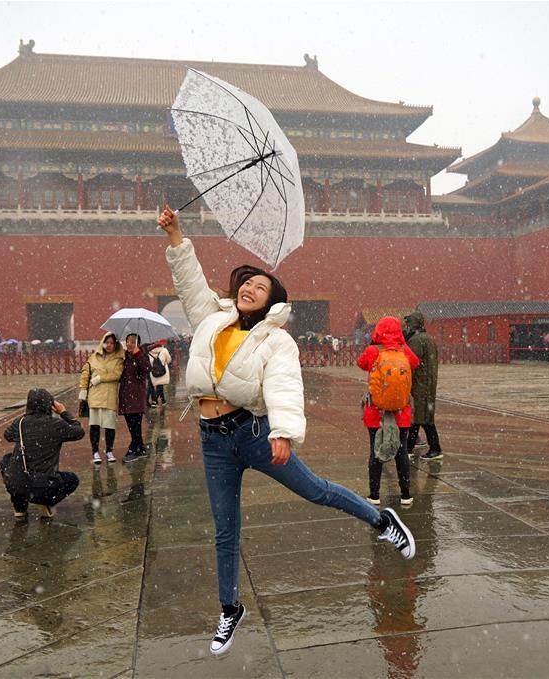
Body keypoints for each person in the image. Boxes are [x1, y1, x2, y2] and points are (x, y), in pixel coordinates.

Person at [157, 206, 415, 656]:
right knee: (225, 528)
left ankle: (382, 521)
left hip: (253, 432)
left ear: (270, 302)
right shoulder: (210, 319)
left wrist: (283, 432)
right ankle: (230, 607)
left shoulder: (276, 340)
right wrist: (177, 234)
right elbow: (189, 282)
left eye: (260, 288)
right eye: (247, 283)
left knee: (315, 490)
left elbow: (283, 385)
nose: (250, 289)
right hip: (212, 439)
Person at [357, 317, 420, 506]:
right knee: (401, 452)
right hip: (401, 411)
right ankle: (405, 495)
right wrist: (401, 347)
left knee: (375, 451)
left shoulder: (373, 351)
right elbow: (416, 363)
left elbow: (361, 363)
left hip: (376, 411)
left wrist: (374, 347)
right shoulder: (404, 351)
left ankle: (374, 495)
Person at [0, 388, 84, 519]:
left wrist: (26, 420)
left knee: (7, 461)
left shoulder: (20, 423)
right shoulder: (56, 424)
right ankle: (44, 501)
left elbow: (8, 435)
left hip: (19, 484)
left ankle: (20, 507)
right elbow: (79, 431)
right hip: (44, 485)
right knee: (72, 479)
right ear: (49, 404)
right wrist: (63, 412)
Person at [403, 311, 444, 461]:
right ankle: (409, 447)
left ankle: (435, 448)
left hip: (420, 385)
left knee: (423, 419)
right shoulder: (428, 339)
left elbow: (411, 364)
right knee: (420, 417)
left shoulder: (415, 341)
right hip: (428, 384)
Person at [79, 332, 124, 464]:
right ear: (103, 343)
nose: (109, 345)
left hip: (109, 397)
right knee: (95, 426)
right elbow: (85, 374)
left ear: (115, 345)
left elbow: (117, 374)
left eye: (112, 343)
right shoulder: (93, 358)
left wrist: (100, 378)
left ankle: (109, 451)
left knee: (110, 426)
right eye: (107, 342)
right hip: (95, 396)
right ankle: (95, 452)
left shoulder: (119, 359)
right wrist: (83, 392)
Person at [119, 333, 152, 462]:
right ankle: (141, 448)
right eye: (128, 341)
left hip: (137, 396)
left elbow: (147, 368)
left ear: (138, 343)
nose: (129, 344)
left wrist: (137, 354)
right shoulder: (125, 357)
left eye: (133, 342)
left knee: (135, 425)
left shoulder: (142, 355)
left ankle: (133, 449)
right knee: (131, 425)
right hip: (125, 396)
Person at [147, 340, 172, 407]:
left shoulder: (149, 352)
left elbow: (149, 363)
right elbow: (169, 360)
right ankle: (154, 401)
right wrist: (164, 364)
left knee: (159, 386)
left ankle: (163, 401)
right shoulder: (164, 350)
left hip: (154, 372)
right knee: (160, 386)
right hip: (163, 371)